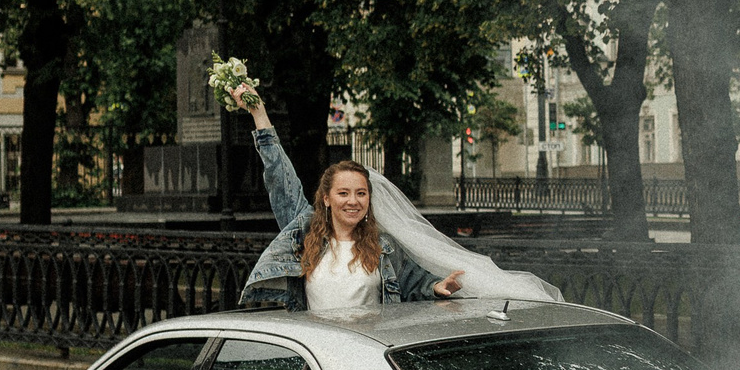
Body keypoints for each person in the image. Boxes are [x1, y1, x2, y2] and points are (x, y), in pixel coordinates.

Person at [227, 80, 560, 311]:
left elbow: (414, 282)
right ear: (326, 198)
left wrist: (436, 288)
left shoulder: (383, 247)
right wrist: (259, 113)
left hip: (368, 354)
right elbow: (280, 179)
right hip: (320, 359)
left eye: (361, 193)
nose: (353, 201)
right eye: (343, 193)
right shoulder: (304, 233)